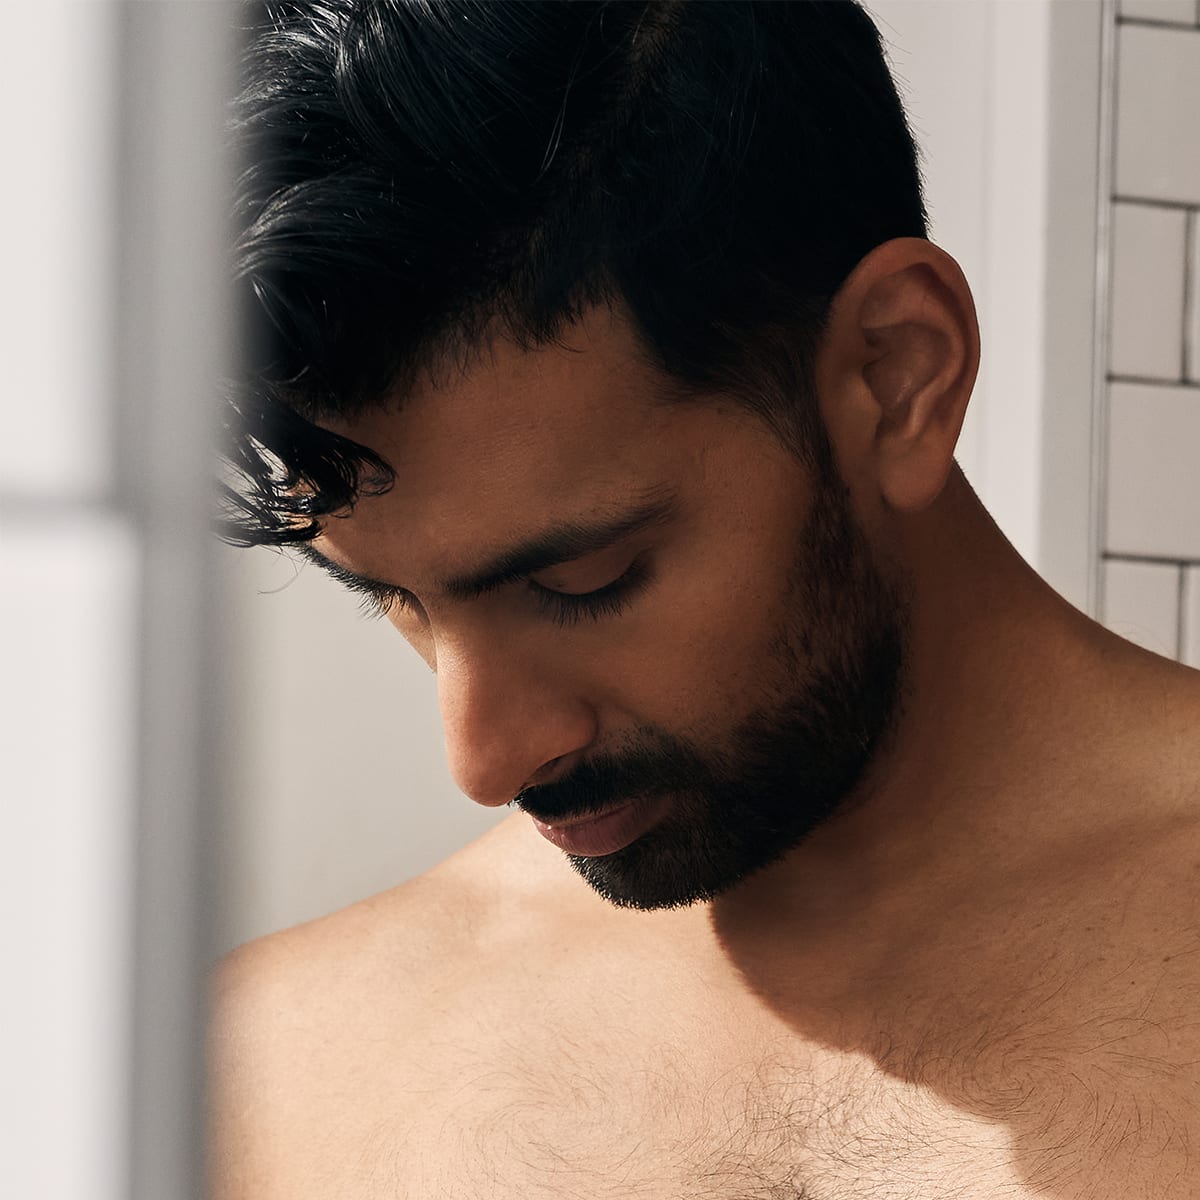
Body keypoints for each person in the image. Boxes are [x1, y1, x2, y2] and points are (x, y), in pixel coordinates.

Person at [208, 2, 1200, 1196]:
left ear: (897, 375)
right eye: (396, 599)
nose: (480, 757)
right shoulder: (273, 1066)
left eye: (581, 580)